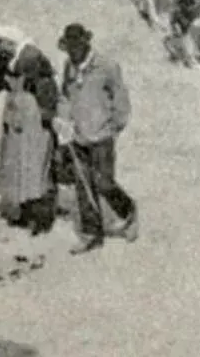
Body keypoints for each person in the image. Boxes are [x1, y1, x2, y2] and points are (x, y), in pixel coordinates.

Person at [55, 22, 136, 253]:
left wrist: (116, 125)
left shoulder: (106, 66)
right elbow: (65, 96)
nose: (72, 53)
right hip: (77, 135)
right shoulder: (69, 66)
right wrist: (63, 121)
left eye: (76, 47)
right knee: (83, 185)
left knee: (104, 182)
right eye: (69, 48)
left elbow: (120, 98)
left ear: (85, 44)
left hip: (102, 135)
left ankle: (128, 211)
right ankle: (92, 234)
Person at [0, 25, 58, 234]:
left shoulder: (31, 56)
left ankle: (41, 220)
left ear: (10, 41)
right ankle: (25, 214)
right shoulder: (10, 57)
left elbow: (47, 87)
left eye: (0, 43)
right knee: (16, 165)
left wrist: (47, 115)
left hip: (32, 115)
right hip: (16, 114)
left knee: (34, 166)